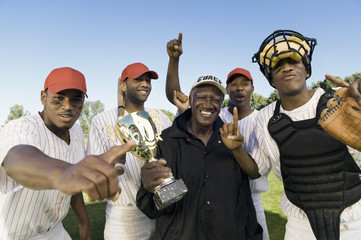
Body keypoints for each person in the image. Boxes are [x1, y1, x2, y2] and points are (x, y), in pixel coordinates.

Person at [0, 67, 135, 240]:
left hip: (55, 230)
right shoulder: (22, 127)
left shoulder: (76, 131)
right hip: (12, 234)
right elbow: (17, 158)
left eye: (76, 100)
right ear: (43, 97)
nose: (67, 106)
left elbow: (74, 180)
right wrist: (63, 173)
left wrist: (84, 222)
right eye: (58, 98)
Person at [251, 29, 361, 240]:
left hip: (353, 221)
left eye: (294, 61)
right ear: (271, 80)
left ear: (307, 70)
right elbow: (259, 168)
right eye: (278, 66)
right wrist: (236, 149)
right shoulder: (265, 117)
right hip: (299, 225)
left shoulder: (338, 100)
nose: (287, 67)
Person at [165, 33, 270, 239]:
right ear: (228, 91)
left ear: (252, 88)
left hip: (248, 196)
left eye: (245, 83)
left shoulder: (261, 118)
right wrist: (174, 59)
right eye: (233, 84)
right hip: (210, 194)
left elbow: (256, 172)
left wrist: (237, 149)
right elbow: (176, 95)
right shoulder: (215, 114)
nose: (239, 88)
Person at [136, 75, 263, 239]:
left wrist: (238, 150)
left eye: (215, 99)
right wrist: (150, 190)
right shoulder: (167, 141)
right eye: (202, 97)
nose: (208, 104)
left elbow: (243, 197)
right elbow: (153, 208)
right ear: (190, 99)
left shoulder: (231, 138)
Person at [86, 62, 172, 240]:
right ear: (123, 85)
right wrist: (110, 162)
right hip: (125, 215)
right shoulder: (102, 120)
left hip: (162, 205)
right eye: (138, 79)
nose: (145, 84)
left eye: (148, 80)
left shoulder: (159, 117)